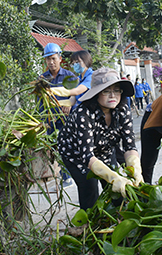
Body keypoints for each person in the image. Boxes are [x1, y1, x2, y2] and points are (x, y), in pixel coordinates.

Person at [57, 68, 143, 210]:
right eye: (106, 91)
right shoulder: (83, 114)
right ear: (96, 93)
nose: (112, 95)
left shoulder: (122, 110)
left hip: (104, 150)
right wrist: (113, 177)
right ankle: (88, 226)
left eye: (116, 90)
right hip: (77, 155)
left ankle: (115, 221)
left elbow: (129, 145)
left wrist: (136, 170)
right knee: (90, 190)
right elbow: (87, 156)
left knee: (118, 192)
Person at [40, 43, 77, 189]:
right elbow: (40, 102)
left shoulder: (69, 76)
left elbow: (77, 94)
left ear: (60, 58)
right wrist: (43, 121)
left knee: (67, 147)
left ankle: (68, 177)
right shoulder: (42, 79)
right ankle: (61, 175)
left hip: (67, 119)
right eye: (48, 59)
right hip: (50, 120)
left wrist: (70, 103)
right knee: (54, 149)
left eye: (53, 58)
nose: (51, 62)